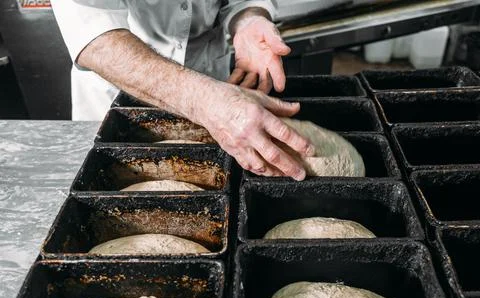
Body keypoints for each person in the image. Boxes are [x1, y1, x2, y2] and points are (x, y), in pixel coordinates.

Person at [51, 0, 315, 181]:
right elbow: (95, 35)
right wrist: (203, 100)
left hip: (219, 93)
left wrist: (249, 18)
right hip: (118, 95)